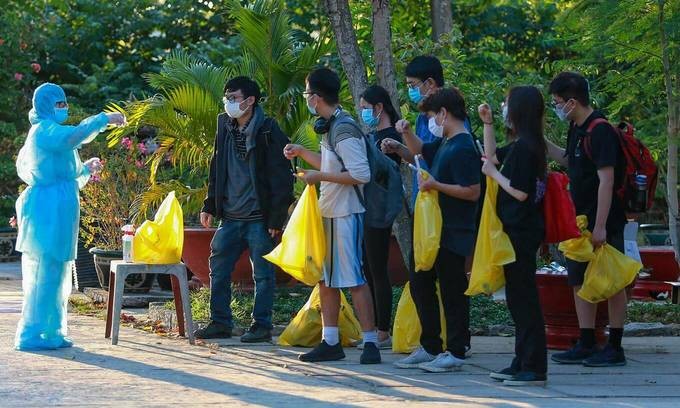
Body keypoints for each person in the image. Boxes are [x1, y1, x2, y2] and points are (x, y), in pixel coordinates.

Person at [14, 83, 126, 350]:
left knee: (58, 272)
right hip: (48, 211)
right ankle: (32, 333)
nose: (64, 108)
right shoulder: (44, 131)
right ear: (45, 106)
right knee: (46, 271)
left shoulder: (50, 132)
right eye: (59, 103)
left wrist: (85, 170)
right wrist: (104, 119)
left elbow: (66, 175)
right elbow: (73, 136)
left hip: (59, 206)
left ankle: (52, 331)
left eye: (65, 103)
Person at [283, 67, 381, 364]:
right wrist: (302, 153)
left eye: (307, 94)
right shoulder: (332, 125)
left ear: (317, 96)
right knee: (326, 280)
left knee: (353, 279)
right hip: (330, 212)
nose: (306, 100)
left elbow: (360, 174)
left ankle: (371, 343)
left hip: (345, 213)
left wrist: (318, 176)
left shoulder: (344, 128)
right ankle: (330, 341)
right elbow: (333, 164)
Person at [382, 88, 480, 372]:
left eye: (431, 116)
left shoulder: (463, 146)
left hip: (453, 229)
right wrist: (407, 132)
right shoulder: (447, 141)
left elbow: (472, 191)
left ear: (444, 114)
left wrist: (436, 186)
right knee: (420, 281)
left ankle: (456, 350)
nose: (432, 123)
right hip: (432, 230)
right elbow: (419, 151)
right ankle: (431, 345)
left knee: (452, 290)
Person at [195, 76, 294, 343]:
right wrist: (209, 204)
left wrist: (276, 217)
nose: (229, 102)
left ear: (250, 101)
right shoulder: (224, 125)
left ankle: (261, 326)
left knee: (263, 274)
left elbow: (283, 176)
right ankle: (220, 322)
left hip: (259, 218)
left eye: (234, 98)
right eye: (227, 97)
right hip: (230, 216)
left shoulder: (268, 129)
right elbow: (217, 166)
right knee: (218, 268)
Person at [546, 72, 628, 367]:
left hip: (604, 220)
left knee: (612, 280)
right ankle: (587, 341)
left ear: (572, 101)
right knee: (578, 278)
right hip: (578, 220)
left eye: (557, 103)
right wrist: (541, 141)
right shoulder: (576, 128)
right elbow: (570, 160)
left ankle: (615, 345)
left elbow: (607, 180)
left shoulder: (600, 130)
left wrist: (601, 225)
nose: (557, 108)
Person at [478, 86, 548, 386]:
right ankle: (521, 361)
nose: (503, 107)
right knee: (518, 300)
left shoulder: (526, 148)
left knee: (525, 300)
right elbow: (491, 157)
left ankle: (533, 366)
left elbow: (520, 192)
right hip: (516, 231)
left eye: (506, 104)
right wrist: (488, 124)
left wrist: (494, 177)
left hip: (521, 231)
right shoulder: (525, 144)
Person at [357, 85, 403, 350]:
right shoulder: (374, 136)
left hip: (381, 211)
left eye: (365, 108)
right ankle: (372, 328)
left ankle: (382, 330)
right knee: (367, 268)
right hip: (367, 208)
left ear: (379, 108)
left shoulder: (392, 138)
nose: (363, 112)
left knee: (378, 269)